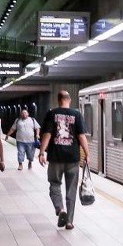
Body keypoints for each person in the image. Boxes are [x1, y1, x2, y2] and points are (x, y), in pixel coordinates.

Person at [38, 90, 90, 230]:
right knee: (71, 190)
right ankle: (69, 222)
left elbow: (47, 134)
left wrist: (42, 152)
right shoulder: (77, 114)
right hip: (73, 158)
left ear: (58, 99)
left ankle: (60, 210)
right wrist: (87, 154)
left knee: (54, 185)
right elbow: (81, 136)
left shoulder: (52, 113)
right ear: (69, 100)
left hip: (55, 157)